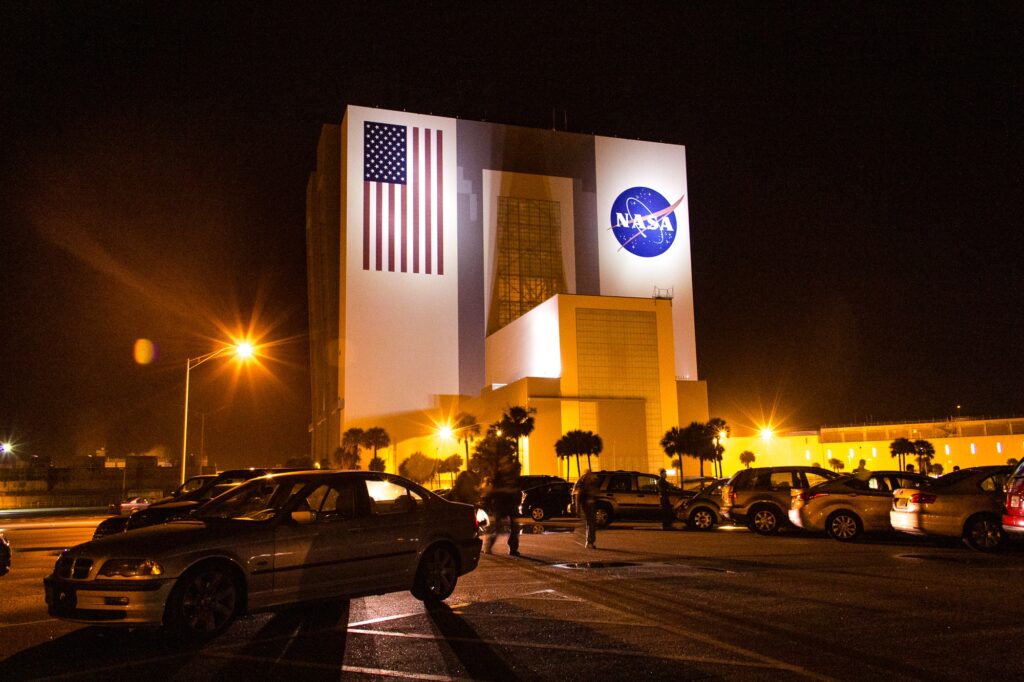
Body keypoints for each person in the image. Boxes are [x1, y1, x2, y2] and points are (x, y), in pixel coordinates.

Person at [482, 457, 521, 556]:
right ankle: (488, 545)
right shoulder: (498, 476)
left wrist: (515, 497)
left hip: (511, 504)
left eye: (508, 464)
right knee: (498, 527)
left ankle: (513, 549)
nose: (507, 466)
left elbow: (517, 488)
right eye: (505, 464)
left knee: (515, 528)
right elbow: (493, 490)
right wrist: (505, 490)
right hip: (501, 504)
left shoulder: (513, 475)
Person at [578, 469, 600, 549]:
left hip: (587, 504)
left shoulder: (583, 481)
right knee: (591, 523)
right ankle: (589, 542)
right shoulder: (588, 483)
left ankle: (589, 542)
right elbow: (592, 492)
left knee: (590, 523)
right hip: (589, 504)